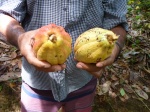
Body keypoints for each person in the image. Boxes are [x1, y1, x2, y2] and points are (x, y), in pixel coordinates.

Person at [0, 0, 128, 112]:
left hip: (83, 80)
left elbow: (117, 22)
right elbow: (4, 15)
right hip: (38, 82)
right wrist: (21, 38)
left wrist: (114, 48)